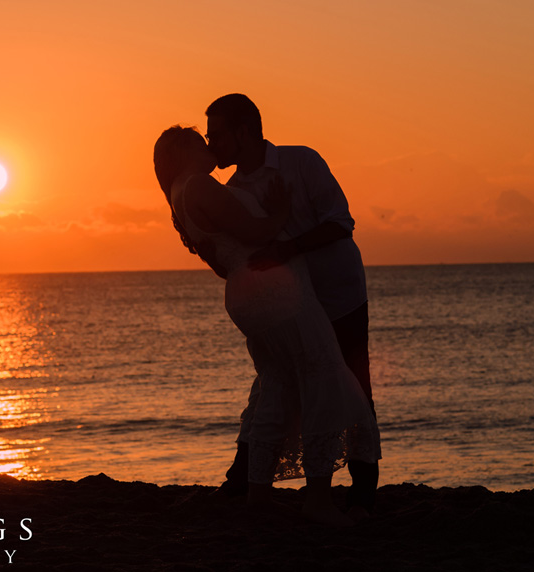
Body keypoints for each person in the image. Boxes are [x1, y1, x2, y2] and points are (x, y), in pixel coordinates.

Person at [154, 126, 380, 526]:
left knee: (276, 386)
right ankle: (318, 499)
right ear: (183, 151)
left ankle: (257, 493)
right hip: (278, 296)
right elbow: (256, 232)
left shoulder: (180, 195)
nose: (208, 144)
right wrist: (280, 209)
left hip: (250, 294)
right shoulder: (198, 185)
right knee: (321, 377)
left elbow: (223, 258)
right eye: (199, 139)